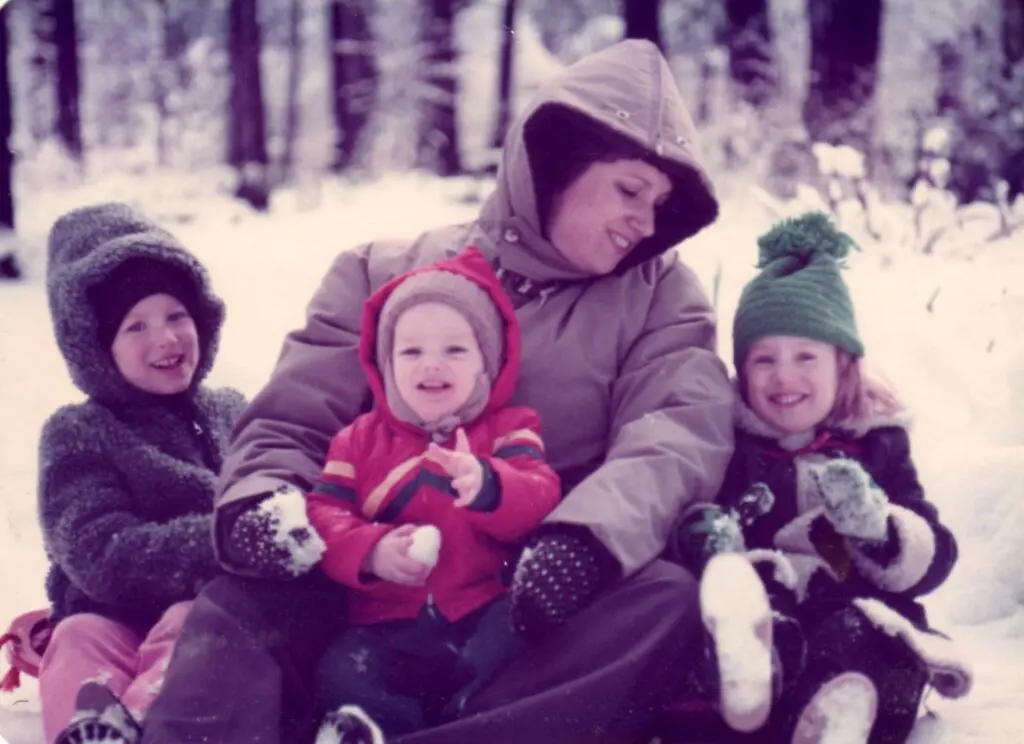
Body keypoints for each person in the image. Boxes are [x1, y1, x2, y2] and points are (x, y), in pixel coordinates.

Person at [138, 38, 735, 744]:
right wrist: (263, 508)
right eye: (630, 190)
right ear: (553, 165)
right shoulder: (383, 271)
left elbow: (674, 433)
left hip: (531, 585)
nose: (646, 220)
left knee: (661, 602)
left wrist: (584, 541)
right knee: (245, 601)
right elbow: (292, 422)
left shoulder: (659, 295)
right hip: (369, 570)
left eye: (661, 202)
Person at [666, 212, 972, 744]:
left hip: (855, 617)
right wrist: (715, 544)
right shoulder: (731, 446)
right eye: (764, 360)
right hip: (772, 609)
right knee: (747, 624)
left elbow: (934, 557)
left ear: (843, 365)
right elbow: (696, 516)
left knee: (875, 643)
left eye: (806, 356)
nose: (784, 376)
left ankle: (832, 721)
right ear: (742, 372)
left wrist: (880, 529)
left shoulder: (878, 446)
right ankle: (753, 677)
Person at [307, 247, 561, 739]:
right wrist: (371, 550)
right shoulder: (357, 441)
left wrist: (489, 485)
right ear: (385, 363)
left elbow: (539, 493)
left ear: (487, 362)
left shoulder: (511, 429)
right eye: (412, 351)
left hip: (484, 610)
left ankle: (474, 722)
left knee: (519, 643)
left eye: (455, 350)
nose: (432, 365)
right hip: (386, 627)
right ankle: (373, 729)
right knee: (342, 668)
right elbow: (325, 513)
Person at [33, 203, 247, 744]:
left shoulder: (234, 412)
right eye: (137, 326)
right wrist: (221, 539)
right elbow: (98, 552)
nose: (167, 339)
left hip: (201, 615)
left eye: (177, 316)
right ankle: (92, 731)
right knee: (77, 640)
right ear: (95, 348)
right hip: (109, 616)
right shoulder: (79, 432)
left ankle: (147, 729)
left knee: (190, 628)